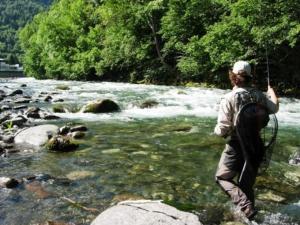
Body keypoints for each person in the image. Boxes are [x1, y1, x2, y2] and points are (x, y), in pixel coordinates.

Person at [214, 60, 279, 219]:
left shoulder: (229, 98)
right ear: (250, 76)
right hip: (256, 144)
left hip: (237, 145)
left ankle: (245, 207)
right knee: (246, 184)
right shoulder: (259, 96)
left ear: (233, 77)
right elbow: (274, 108)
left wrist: (215, 132)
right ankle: (250, 214)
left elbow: (223, 129)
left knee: (222, 177)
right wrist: (271, 92)